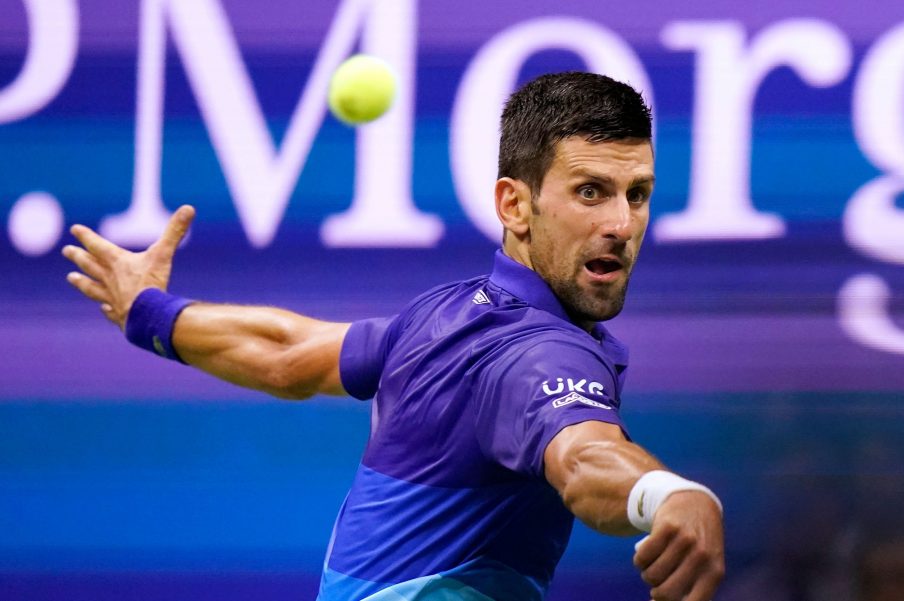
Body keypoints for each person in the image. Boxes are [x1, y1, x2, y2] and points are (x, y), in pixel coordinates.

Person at [62, 71, 724, 601]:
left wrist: (149, 313)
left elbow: (287, 352)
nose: (621, 222)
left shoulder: (445, 315)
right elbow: (583, 457)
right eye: (590, 191)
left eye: (636, 194)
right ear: (513, 205)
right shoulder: (539, 351)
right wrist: (668, 494)